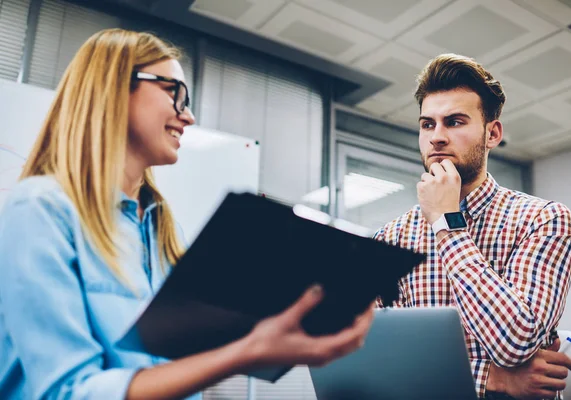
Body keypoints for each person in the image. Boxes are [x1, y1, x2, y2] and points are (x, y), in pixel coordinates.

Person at [0, 28, 374, 400]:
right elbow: (69, 393)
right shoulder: (40, 210)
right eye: (174, 92)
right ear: (113, 87)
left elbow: (174, 368)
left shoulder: (161, 228)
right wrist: (245, 352)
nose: (189, 117)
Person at [373, 54, 571, 400]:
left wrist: (447, 223)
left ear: (492, 133)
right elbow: (377, 360)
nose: (437, 137)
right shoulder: (390, 239)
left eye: (454, 122)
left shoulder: (545, 220)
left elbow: (517, 341)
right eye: (428, 124)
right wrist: (492, 377)